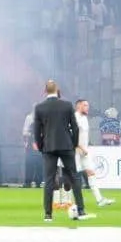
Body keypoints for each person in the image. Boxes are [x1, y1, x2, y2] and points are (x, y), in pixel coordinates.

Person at [35, 80, 86, 222]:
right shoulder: (67, 105)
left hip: (49, 147)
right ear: (57, 90)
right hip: (66, 145)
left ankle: (48, 214)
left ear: (45, 91)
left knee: (49, 180)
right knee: (74, 177)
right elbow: (75, 127)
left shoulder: (39, 107)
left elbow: (37, 130)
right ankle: (81, 210)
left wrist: (41, 146)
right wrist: (74, 143)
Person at [72, 99, 115, 209]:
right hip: (75, 152)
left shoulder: (85, 119)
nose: (87, 107)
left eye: (88, 105)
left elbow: (83, 136)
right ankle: (72, 202)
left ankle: (99, 199)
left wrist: (86, 146)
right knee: (73, 177)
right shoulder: (75, 118)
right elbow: (71, 135)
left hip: (84, 152)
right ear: (78, 106)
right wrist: (79, 147)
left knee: (91, 173)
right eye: (85, 105)